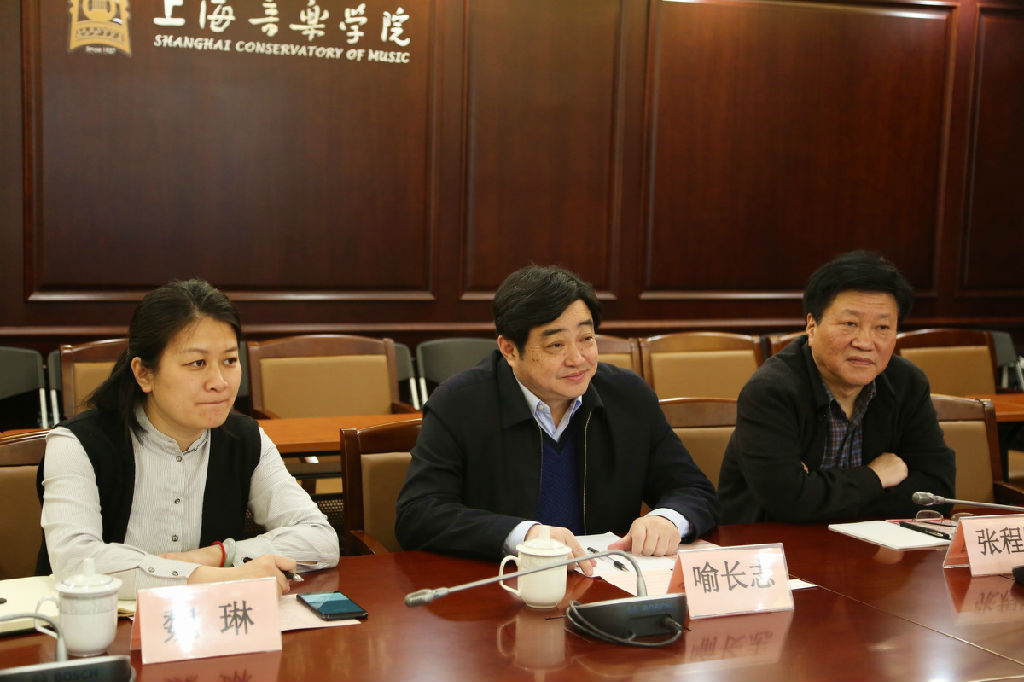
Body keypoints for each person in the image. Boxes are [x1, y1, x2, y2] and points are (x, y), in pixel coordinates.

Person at [395, 265, 719, 567]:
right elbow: (419, 513)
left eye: (586, 339)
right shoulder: (459, 403)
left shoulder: (628, 396)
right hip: (503, 583)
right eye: (556, 345)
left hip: (609, 581)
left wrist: (668, 519)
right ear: (510, 350)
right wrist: (525, 535)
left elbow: (693, 489)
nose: (577, 359)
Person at [37, 280, 339, 596]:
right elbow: (76, 561)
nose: (219, 382)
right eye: (197, 363)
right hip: (94, 621)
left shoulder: (245, 439)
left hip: (209, 619)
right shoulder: (77, 444)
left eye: (230, 360)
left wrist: (220, 554)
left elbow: (320, 539)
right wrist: (215, 577)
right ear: (143, 373)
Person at [717, 251, 955, 524]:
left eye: (882, 327)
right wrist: (876, 477)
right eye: (850, 324)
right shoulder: (771, 391)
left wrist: (818, 490)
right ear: (811, 326)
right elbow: (787, 502)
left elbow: (937, 493)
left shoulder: (907, 383)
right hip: (776, 542)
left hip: (875, 543)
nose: (865, 342)